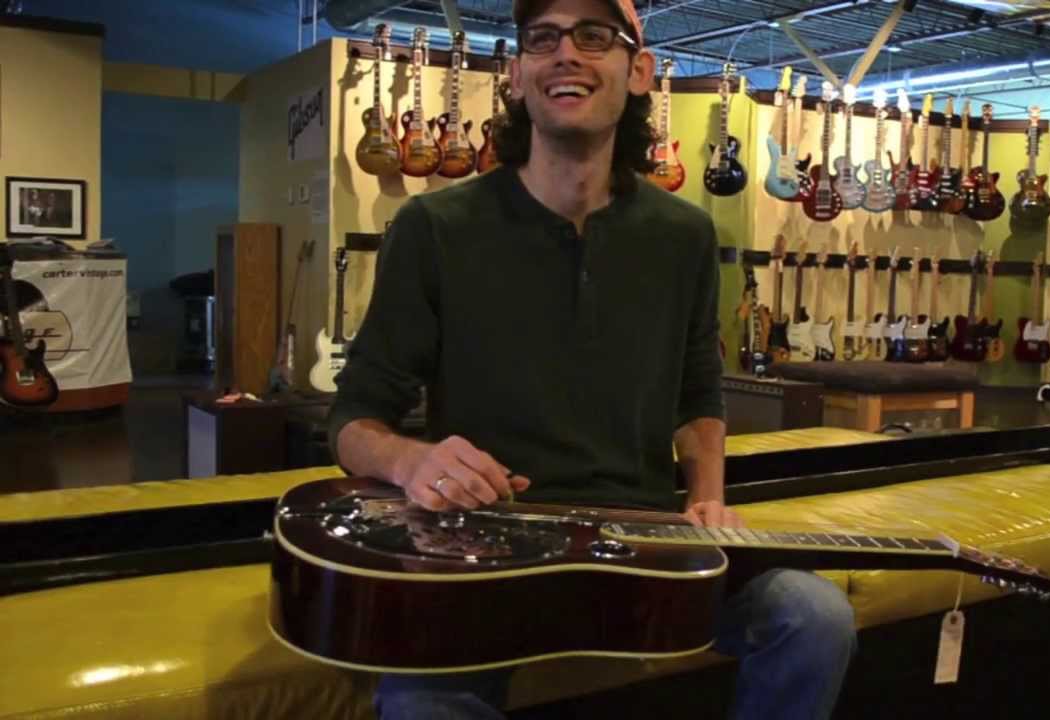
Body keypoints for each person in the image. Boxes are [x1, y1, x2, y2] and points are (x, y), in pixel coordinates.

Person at [328, 1, 856, 718]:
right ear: (517, 75)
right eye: (543, 38)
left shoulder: (685, 236)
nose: (565, 53)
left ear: (639, 71)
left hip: (643, 539)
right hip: (486, 548)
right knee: (420, 703)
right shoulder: (434, 228)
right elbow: (354, 418)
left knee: (814, 617)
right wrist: (411, 463)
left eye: (594, 36)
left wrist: (708, 496)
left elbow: (699, 390)